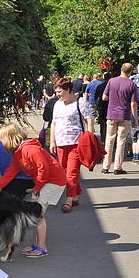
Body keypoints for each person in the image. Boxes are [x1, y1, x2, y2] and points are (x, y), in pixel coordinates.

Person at [0, 124, 67, 258]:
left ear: (10, 138)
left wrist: (37, 187)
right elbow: (10, 173)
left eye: (2, 140)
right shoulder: (18, 153)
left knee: (37, 215)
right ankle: (38, 245)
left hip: (53, 181)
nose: (2, 143)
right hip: (46, 182)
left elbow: (44, 169)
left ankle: (42, 247)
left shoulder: (29, 149)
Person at [50, 78, 93, 213]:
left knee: (72, 172)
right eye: (56, 92)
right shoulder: (57, 104)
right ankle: (74, 196)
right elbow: (54, 123)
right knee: (63, 171)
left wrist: (90, 138)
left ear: (68, 90)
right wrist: (52, 141)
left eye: (59, 91)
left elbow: (89, 120)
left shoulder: (80, 103)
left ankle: (68, 201)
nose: (58, 94)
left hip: (76, 143)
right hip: (61, 143)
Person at [101, 63, 139, 174]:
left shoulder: (111, 81)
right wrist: (135, 119)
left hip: (111, 114)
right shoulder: (132, 85)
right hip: (124, 115)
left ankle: (105, 166)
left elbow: (104, 97)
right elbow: (133, 104)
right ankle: (117, 167)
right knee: (121, 142)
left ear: (121, 70)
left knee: (109, 140)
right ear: (130, 72)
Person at [95, 72, 113, 143]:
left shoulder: (100, 86)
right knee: (110, 123)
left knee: (103, 123)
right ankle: (110, 139)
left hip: (102, 106)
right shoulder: (112, 86)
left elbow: (96, 97)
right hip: (110, 106)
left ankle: (103, 139)